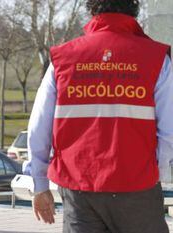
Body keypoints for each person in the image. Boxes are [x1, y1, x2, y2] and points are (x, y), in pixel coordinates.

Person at [27, 0, 173, 232]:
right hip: (137, 187)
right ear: (133, 8)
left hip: (79, 190)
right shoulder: (156, 58)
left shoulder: (62, 59)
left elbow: (38, 127)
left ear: (92, 8)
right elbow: (169, 130)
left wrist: (39, 183)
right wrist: (158, 173)